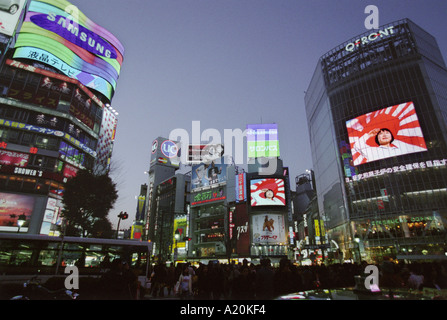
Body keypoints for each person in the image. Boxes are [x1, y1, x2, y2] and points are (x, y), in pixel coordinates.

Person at [352, 127, 427, 165]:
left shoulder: (401, 148)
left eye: (387, 133)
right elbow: (357, 145)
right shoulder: (373, 151)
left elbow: (418, 148)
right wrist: (368, 135)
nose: (384, 135)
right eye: (381, 134)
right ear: (377, 139)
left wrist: (393, 140)